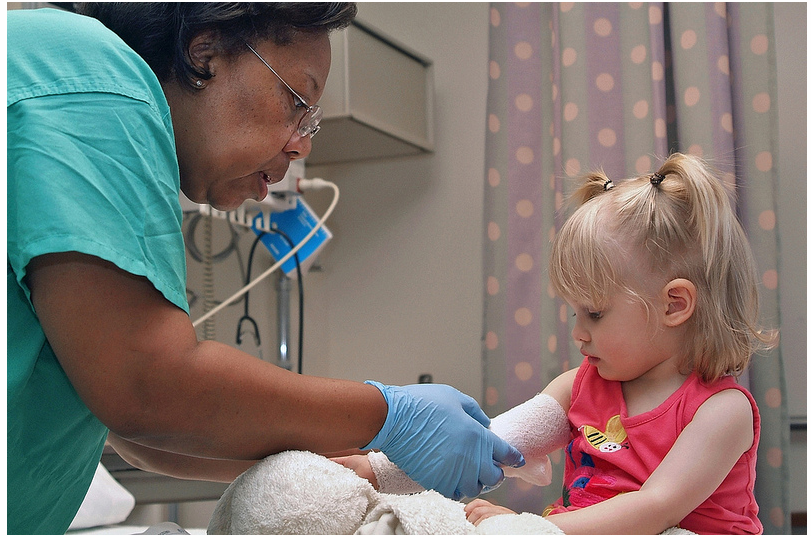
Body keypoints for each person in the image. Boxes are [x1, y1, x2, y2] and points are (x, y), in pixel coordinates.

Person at [7, 4, 523, 534]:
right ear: (203, 51)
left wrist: (365, 467)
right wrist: (387, 415)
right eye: (297, 102)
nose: (301, 144)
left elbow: (141, 435)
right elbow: (148, 387)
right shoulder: (84, 72)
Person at [343, 153, 776, 534]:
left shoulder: (722, 411)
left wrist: (530, 528)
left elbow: (656, 508)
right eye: (575, 313)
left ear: (674, 305)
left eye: (596, 313)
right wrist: (377, 472)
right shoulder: (579, 387)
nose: (578, 333)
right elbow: (486, 444)